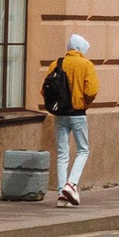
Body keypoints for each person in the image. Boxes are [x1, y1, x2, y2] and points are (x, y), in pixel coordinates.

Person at [42, 33, 98, 206]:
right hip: (78, 114)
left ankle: (61, 195)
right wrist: (83, 102)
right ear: (81, 49)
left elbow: (45, 90)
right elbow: (91, 90)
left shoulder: (55, 64)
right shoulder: (86, 64)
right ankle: (70, 184)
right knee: (83, 151)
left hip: (60, 115)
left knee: (62, 154)